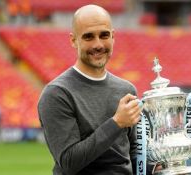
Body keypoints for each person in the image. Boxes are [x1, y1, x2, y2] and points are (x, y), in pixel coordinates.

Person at [38, 4, 157, 175]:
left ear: (113, 36)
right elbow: (69, 162)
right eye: (88, 37)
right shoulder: (57, 93)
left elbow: (136, 155)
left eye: (104, 35)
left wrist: (162, 168)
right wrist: (116, 123)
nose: (98, 44)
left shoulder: (126, 89)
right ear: (73, 40)